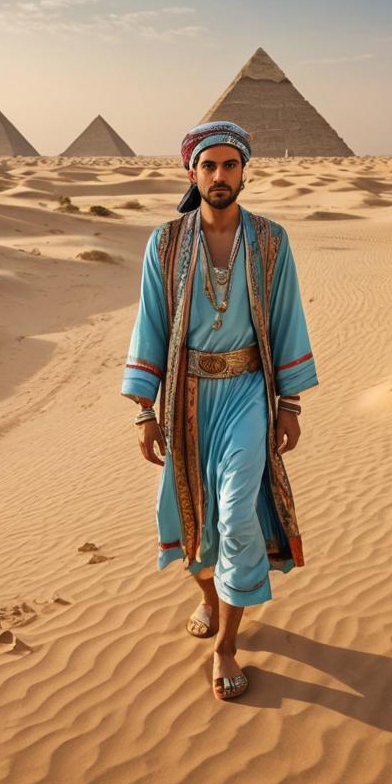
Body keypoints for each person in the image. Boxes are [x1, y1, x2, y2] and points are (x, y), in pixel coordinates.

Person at [121, 120, 318, 701]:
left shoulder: (272, 240)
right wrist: (143, 410)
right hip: (185, 398)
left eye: (230, 165)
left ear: (244, 171)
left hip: (248, 395)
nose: (220, 176)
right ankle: (209, 599)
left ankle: (226, 646)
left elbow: (287, 320)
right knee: (191, 512)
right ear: (192, 173)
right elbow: (150, 324)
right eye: (209, 166)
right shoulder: (165, 242)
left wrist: (290, 402)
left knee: (234, 516)